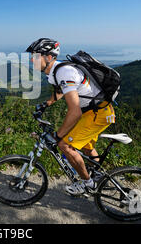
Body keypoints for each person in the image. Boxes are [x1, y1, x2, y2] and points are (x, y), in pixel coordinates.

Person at [26, 38, 116, 196]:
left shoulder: (64, 71)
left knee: (65, 145)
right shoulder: (55, 72)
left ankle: (88, 184)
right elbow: (61, 91)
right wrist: (46, 104)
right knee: (86, 147)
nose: (32, 59)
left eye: (36, 56)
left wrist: (58, 137)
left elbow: (75, 112)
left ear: (48, 57)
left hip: (97, 114)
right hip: (96, 112)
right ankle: (98, 176)